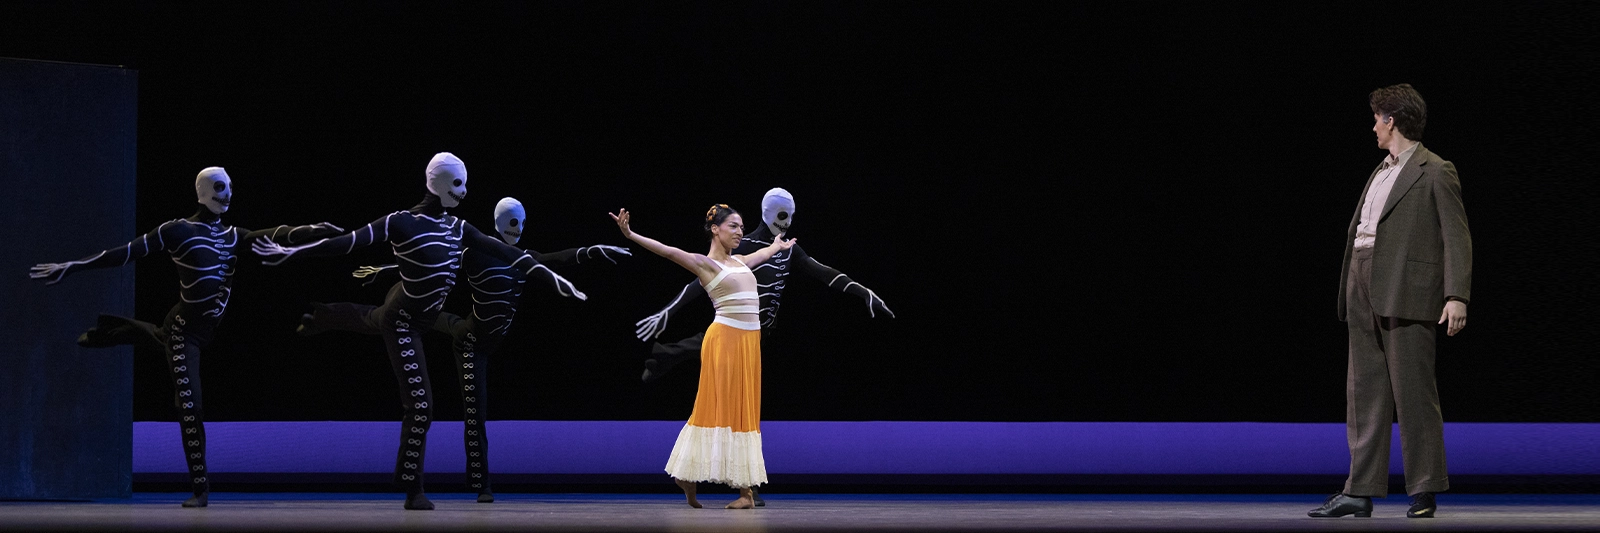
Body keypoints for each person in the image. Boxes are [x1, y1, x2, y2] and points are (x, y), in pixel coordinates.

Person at [252, 153, 585, 510]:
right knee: (421, 404)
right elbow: (346, 243)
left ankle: (324, 316)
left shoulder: (458, 227)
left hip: (420, 313)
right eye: (458, 183)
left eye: (466, 183)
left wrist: (551, 277)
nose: (465, 190)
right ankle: (413, 490)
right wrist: (292, 250)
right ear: (440, 184)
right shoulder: (401, 222)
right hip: (405, 320)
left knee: (372, 318)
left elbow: (506, 252)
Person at [28, 167, 343, 507]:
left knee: (160, 340)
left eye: (231, 188)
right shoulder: (177, 230)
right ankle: (200, 489)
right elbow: (125, 253)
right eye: (221, 187)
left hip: (206, 330)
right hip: (184, 331)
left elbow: (277, 234)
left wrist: (314, 230)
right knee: (190, 405)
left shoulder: (234, 236)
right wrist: (73, 265)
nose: (228, 194)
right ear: (205, 190)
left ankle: (115, 331)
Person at [300, 196, 627, 503]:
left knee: (439, 323)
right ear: (500, 223)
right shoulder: (475, 252)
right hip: (471, 343)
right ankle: (482, 484)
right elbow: (434, 262)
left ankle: (341, 314)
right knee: (475, 412)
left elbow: (558, 258)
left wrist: (591, 251)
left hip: (477, 331)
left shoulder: (523, 259)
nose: (517, 227)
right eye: (512, 221)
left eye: (521, 222)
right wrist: (386, 270)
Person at [1310, 84, 1471, 519]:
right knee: (1363, 394)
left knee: (1414, 394)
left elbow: (1457, 236)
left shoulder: (1435, 170)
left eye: (1377, 118)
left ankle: (1424, 489)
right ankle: (1359, 490)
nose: (1373, 126)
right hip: (1362, 280)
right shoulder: (1380, 169)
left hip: (1407, 288)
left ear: (1392, 120)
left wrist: (1457, 294)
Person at [610, 204, 793, 509]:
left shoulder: (740, 261)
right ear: (715, 229)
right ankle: (699, 477)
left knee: (744, 411)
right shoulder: (706, 265)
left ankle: (741, 491)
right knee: (718, 411)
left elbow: (759, 256)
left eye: (742, 226)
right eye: (733, 226)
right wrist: (630, 234)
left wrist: (776, 245)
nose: (740, 231)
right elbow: (668, 251)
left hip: (749, 344)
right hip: (725, 341)